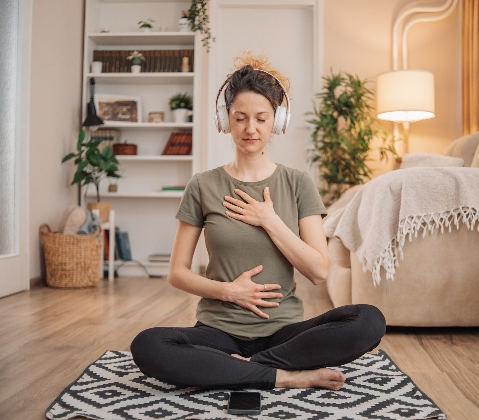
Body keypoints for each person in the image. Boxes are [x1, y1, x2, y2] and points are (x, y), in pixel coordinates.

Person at [131, 53, 386, 391]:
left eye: (262, 118)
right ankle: (284, 376)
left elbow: (318, 271)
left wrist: (270, 220)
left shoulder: (298, 183)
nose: (250, 128)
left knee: (369, 321)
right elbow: (177, 272)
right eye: (240, 118)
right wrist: (228, 291)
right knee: (147, 346)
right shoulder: (202, 185)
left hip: (284, 334)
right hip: (217, 332)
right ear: (226, 120)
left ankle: (236, 370)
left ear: (277, 122)